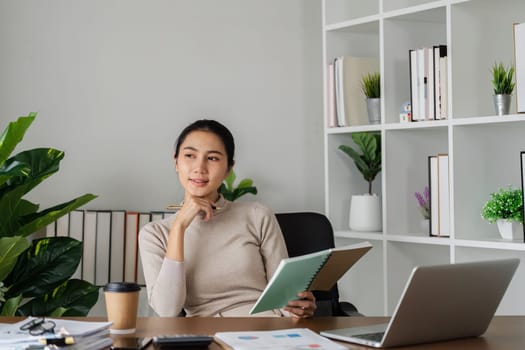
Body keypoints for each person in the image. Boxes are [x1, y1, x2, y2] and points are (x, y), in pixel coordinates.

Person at [139, 119, 316, 318]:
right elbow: (167, 310)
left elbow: (282, 295)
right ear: (176, 163)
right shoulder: (155, 234)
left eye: (212, 158)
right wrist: (179, 226)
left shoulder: (257, 215)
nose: (200, 167)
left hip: (267, 329)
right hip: (207, 337)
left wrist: (297, 307)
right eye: (189, 155)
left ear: (228, 169)